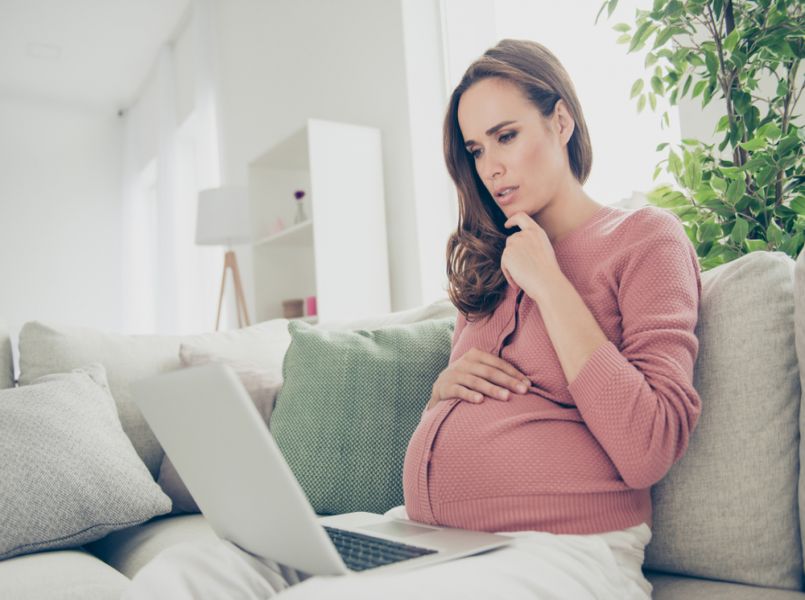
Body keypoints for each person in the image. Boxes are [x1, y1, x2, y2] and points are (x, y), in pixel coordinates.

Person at [125, 39, 702, 599]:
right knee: (186, 575)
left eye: (506, 136)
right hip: (426, 534)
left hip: (562, 549)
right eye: (476, 150)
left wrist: (549, 284)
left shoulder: (644, 239)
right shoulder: (487, 265)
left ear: (561, 123)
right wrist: (440, 397)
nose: (492, 168)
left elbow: (648, 445)